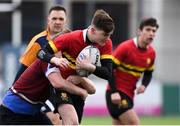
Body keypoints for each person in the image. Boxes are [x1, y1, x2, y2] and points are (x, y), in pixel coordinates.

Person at [37, 9, 117, 124]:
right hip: (61, 87)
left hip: (79, 89)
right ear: (93, 30)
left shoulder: (106, 43)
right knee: (72, 123)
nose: (107, 38)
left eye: (109, 35)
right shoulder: (70, 38)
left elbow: (108, 73)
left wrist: (89, 67)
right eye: (105, 34)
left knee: (74, 124)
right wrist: (55, 60)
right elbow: (41, 52)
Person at [0, 51, 96, 125]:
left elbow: (92, 90)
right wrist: (81, 92)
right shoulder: (48, 61)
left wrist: (81, 78)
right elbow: (58, 83)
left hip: (33, 112)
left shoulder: (66, 65)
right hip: (12, 112)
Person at [13, 5, 68, 124]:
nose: (57, 22)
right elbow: (23, 71)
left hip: (60, 89)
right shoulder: (38, 41)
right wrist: (14, 94)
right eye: (54, 18)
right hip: (40, 92)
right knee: (53, 119)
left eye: (61, 19)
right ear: (48, 19)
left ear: (65, 21)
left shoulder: (69, 41)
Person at [106, 17, 159, 125]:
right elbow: (109, 69)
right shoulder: (125, 48)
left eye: (153, 31)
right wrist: (114, 91)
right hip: (117, 94)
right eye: (148, 30)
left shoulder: (151, 53)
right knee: (134, 123)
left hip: (129, 95)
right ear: (140, 31)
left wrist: (144, 85)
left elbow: (148, 73)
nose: (151, 33)